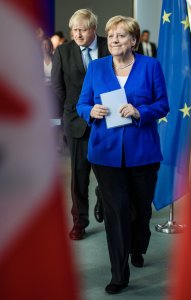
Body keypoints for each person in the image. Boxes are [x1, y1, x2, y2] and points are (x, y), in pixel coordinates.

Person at [76, 15, 169, 294]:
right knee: (117, 214)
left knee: (140, 212)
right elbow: (82, 103)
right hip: (105, 153)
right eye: (111, 35)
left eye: (121, 35)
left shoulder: (151, 66)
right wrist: (90, 111)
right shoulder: (96, 67)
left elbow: (163, 104)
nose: (114, 40)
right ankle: (119, 274)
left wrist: (141, 111)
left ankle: (138, 247)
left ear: (134, 41)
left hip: (143, 153)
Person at [51, 9, 109, 240]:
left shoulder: (108, 46)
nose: (77, 34)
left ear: (93, 29)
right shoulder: (63, 51)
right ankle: (79, 222)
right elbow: (57, 88)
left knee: (109, 173)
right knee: (79, 177)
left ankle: (104, 200)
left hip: (107, 121)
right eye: (74, 29)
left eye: (82, 29)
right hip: (76, 123)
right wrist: (68, 116)